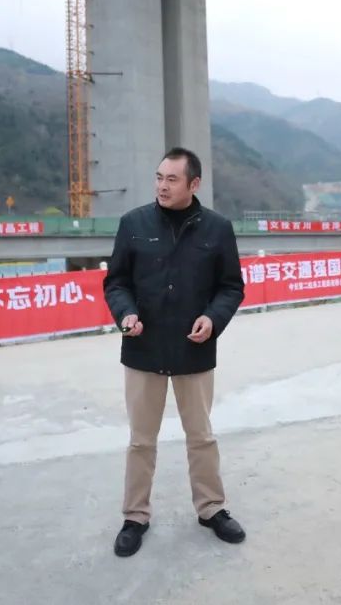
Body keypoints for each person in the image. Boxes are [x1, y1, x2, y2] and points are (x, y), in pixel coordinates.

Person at [102, 146, 246, 558]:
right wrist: (126, 314)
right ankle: (135, 516)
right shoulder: (134, 224)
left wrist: (213, 319)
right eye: (159, 177)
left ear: (193, 184)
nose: (162, 186)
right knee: (141, 441)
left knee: (201, 436)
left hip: (193, 350)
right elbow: (116, 283)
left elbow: (231, 287)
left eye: (172, 179)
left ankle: (211, 509)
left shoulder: (217, 229)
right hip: (143, 348)